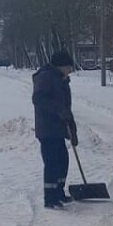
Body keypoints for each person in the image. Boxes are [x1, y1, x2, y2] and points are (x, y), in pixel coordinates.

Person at [33, 50, 78, 209]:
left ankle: (59, 193)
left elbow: (66, 107)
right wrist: (59, 111)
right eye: (68, 67)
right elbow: (38, 99)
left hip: (58, 129)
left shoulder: (61, 79)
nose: (70, 71)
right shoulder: (46, 77)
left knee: (62, 161)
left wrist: (72, 128)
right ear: (60, 66)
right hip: (48, 129)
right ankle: (50, 198)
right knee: (52, 163)